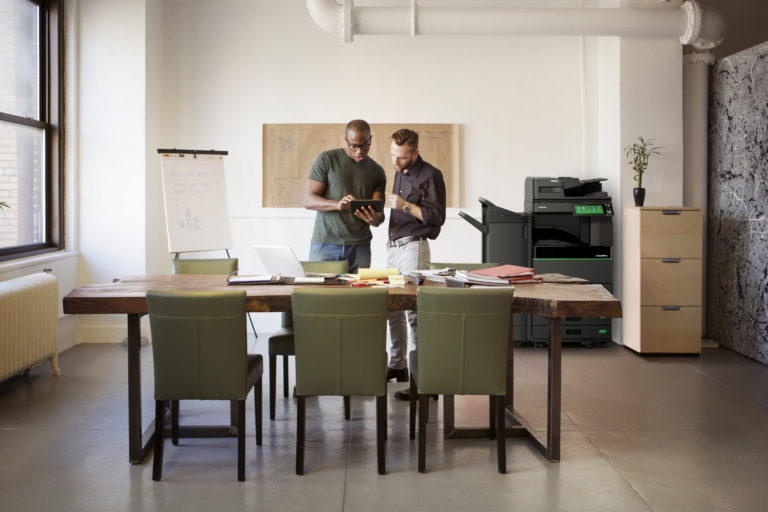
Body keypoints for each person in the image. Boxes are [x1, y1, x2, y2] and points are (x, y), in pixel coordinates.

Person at [384, 129, 446, 400]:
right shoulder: (400, 172)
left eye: (401, 157)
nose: (395, 162)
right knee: (392, 309)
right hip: (396, 248)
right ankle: (398, 366)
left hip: (415, 248)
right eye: (393, 156)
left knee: (414, 313)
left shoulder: (432, 175)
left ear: (415, 153)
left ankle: (420, 381)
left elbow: (437, 217)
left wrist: (405, 206)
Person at [303, 119, 386, 273]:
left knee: (358, 296)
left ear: (370, 139)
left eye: (364, 145)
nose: (359, 151)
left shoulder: (377, 171)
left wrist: (375, 218)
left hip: (360, 247)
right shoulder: (327, 159)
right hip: (325, 244)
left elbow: (379, 214)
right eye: (354, 145)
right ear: (346, 140)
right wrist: (336, 204)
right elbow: (308, 200)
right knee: (319, 294)